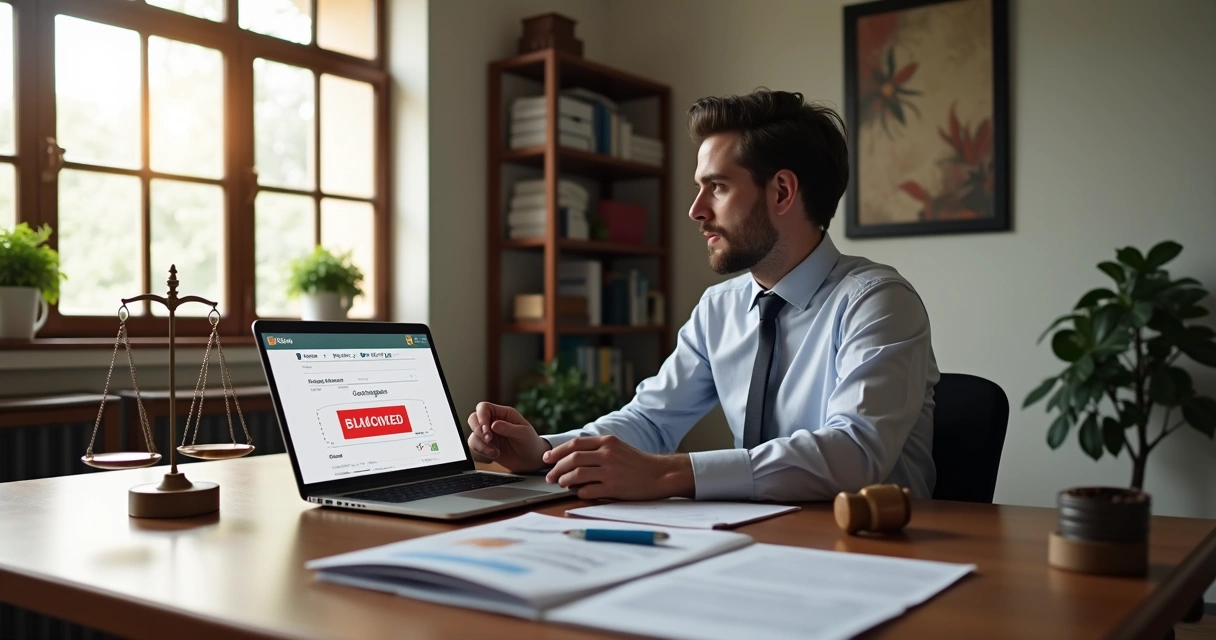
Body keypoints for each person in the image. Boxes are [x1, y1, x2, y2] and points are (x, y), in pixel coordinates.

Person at [468, 89, 939, 502]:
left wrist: (669, 473)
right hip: (753, 544)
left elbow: (855, 453)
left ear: (781, 192)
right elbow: (651, 422)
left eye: (716, 187)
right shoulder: (720, 308)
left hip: (875, 552)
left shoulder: (878, 302)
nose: (695, 210)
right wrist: (544, 451)